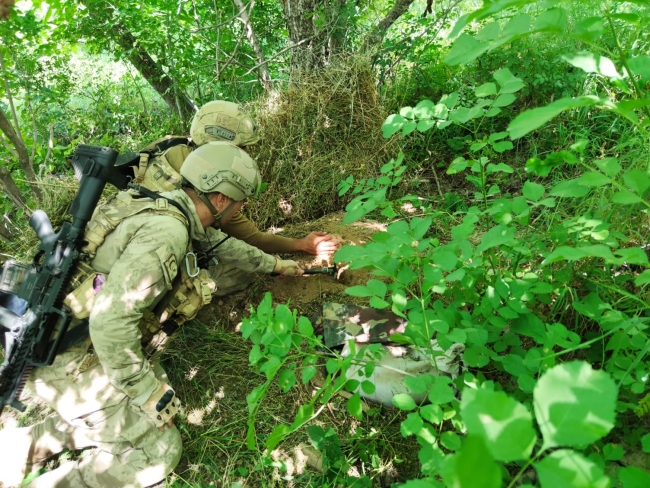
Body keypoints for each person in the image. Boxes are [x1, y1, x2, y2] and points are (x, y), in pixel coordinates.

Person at [0, 142, 303, 487]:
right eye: (240, 202)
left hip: (69, 344)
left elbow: (221, 243)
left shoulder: (164, 202)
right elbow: (109, 323)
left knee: (155, 390)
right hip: (71, 361)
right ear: (220, 199)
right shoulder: (168, 232)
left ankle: (17, 451)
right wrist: (145, 393)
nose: (241, 209)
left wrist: (277, 265)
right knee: (159, 452)